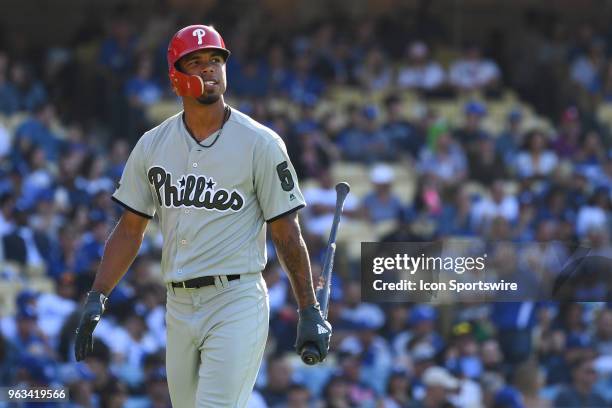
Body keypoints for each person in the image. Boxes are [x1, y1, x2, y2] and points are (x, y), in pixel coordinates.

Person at [73, 24, 332, 408]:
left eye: (215, 60)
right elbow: (130, 229)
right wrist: (98, 295)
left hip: (236, 298)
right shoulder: (152, 144)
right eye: (195, 62)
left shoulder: (260, 143)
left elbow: (286, 233)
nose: (209, 69)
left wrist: (308, 309)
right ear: (177, 77)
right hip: (177, 304)